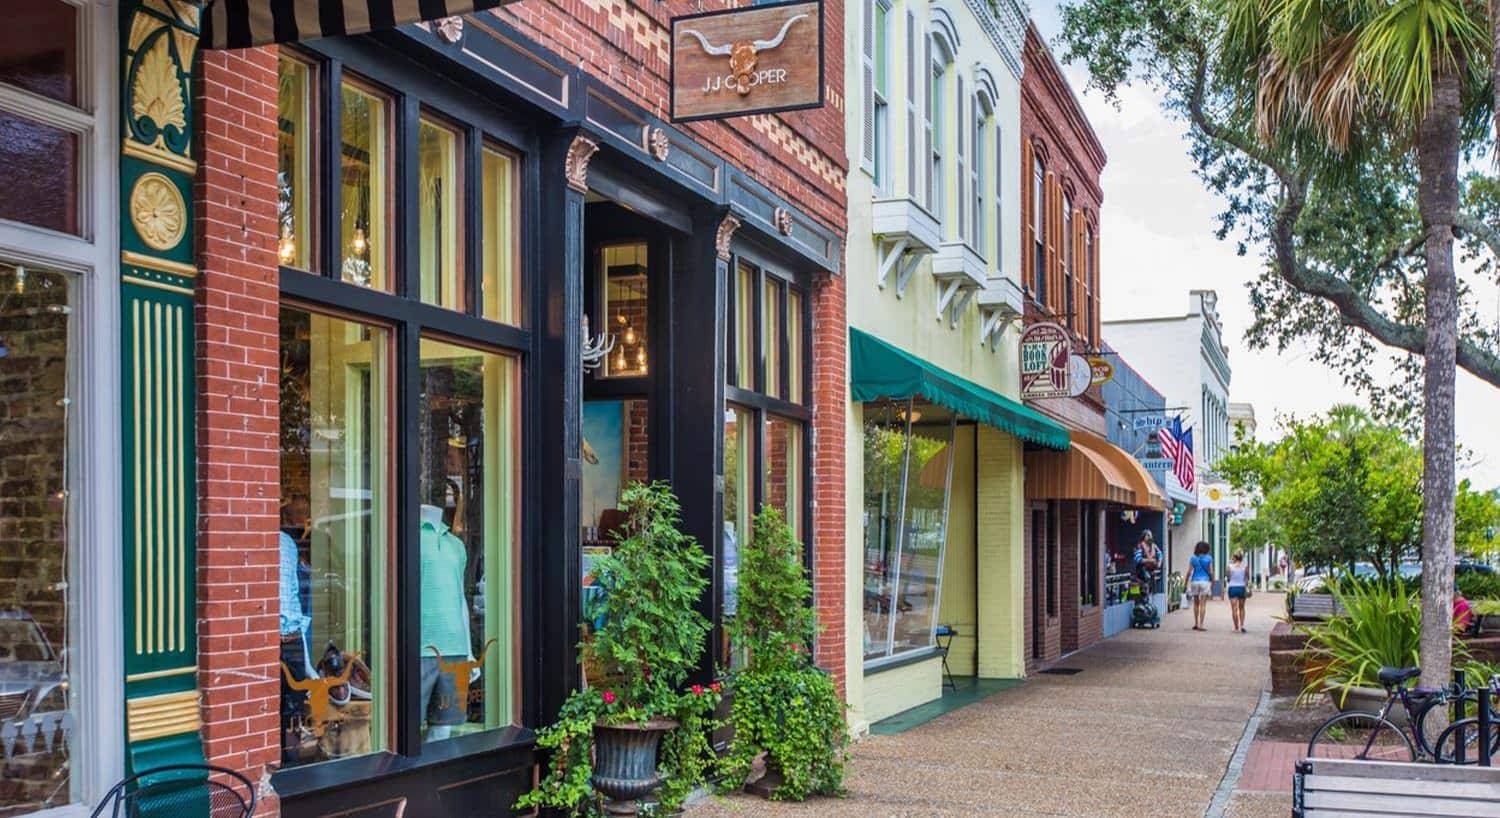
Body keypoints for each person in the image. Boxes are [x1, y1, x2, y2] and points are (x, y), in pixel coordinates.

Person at [1188, 541, 1214, 631]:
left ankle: (1195, 623)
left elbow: (1189, 571)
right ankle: (1201, 625)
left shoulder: (1193, 558)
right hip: (1205, 582)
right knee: (1203, 604)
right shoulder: (1209, 558)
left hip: (1194, 581)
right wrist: (1213, 581)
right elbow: (1211, 571)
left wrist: (1185, 583)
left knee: (1196, 603)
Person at [1226, 551, 1249, 633]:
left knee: (1234, 609)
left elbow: (1228, 578)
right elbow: (1247, 578)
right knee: (1242, 608)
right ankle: (1242, 625)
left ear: (1235, 558)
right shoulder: (1245, 567)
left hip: (1232, 588)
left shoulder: (1229, 567)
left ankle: (1236, 627)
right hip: (1241, 588)